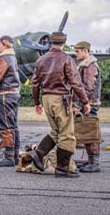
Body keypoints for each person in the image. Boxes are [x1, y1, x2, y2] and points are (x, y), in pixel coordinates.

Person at [30, 32, 91, 178]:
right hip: (60, 99)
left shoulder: (41, 60)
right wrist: (85, 102)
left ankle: (38, 154)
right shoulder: (66, 59)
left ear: (51, 42)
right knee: (67, 135)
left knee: (56, 131)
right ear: (64, 43)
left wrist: (37, 102)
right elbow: (76, 83)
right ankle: (63, 169)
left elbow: (35, 83)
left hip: (46, 98)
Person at [0, 36, 21, 167]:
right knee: (13, 125)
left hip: (4, 94)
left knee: (5, 125)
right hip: (14, 93)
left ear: (5, 45)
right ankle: (15, 155)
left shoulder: (3, 58)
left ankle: (9, 157)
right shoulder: (12, 57)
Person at [73, 41, 102, 172]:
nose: (75, 53)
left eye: (77, 51)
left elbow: (88, 88)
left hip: (89, 104)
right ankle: (91, 161)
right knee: (87, 133)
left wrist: (80, 104)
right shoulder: (86, 65)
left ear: (85, 50)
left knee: (90, 133)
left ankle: (94, 163)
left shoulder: (89, 66)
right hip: (88, 104)